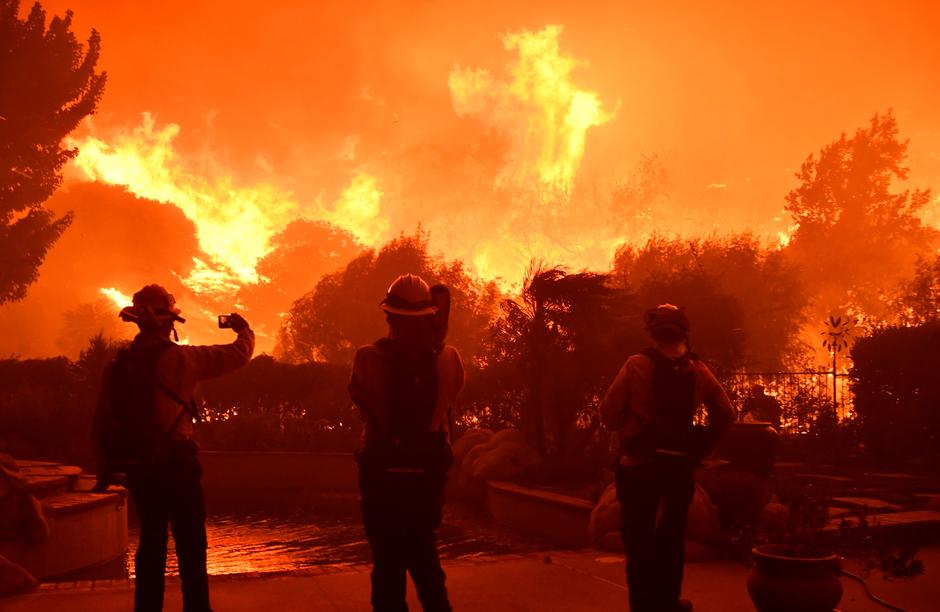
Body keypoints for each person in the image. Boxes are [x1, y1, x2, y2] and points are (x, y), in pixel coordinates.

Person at [93, 284, 254, 612]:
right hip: (178, 464)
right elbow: (237, 355)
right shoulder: (182, 359)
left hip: (139, 465)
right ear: (170, 322)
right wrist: (244, 329)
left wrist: (105, 467)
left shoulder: (117, 366)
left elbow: (100, 422)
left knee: (151, 539)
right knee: (191, 543)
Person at [599, 304, 734, 612]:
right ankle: (669, 601)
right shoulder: (698, 370)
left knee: (637, 538)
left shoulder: (636, 365)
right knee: (673, 536)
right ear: (683, 333)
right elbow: (726, 413)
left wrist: (631, 428)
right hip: (678, 465)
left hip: (637, 465)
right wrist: (701, 445)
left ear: (653, 333)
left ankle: (642, 605)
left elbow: (608, 413)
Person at [349, 274, 464, 612]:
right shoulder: (449, 358)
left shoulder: (367, 357)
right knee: (426, 559)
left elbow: (363, 405)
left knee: (387, 563)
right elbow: (448, 403)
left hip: (381, 469)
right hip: (426, 472)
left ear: (388, 316)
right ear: (430, 315)